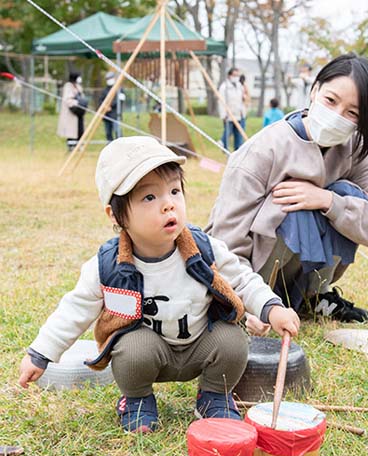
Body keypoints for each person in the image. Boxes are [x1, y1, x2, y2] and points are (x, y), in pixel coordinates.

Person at [18, 136, 299, 434]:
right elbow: (74, 310)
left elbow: (242, 280)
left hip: (200, 345)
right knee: (132, 349)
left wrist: (271, 308)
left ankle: (214, 396)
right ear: (115, 215)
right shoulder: (107, 266)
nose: (169, 205)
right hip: (151, 353)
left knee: (233, 341)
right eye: (149, 198)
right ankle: (137, 401)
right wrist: (41, 353)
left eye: (175, 191)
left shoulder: (204, 248)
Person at [206, 53, 368, 329]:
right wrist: (252, 305)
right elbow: (224, 245)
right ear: (314, 90)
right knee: (289, 203)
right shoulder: (263, 150)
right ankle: (272, 300)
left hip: (302, 277)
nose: (336, 116)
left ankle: (313, 296)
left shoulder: (355, 150)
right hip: (254, 281)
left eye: (352, 112)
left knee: (345, 193)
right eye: (330, 100)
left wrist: (329, 201)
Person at [57, 72, 87, 151]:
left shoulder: (78, 86)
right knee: (71, 131)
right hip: (71, 113)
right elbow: (68, 99)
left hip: (79, 113)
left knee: (80, 130)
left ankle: (79, 146)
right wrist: (77, 103)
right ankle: (71, 147)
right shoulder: (68, 86)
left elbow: (81, 96)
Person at [218, 67, 246, 151]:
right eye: (234, 75)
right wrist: (223, 115)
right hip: (229, 115)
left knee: (239, 136)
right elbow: (221, 101)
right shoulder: (224, 87)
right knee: (227, 133)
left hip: (239, 114)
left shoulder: (239, 86)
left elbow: (241, 100)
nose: (236, 77)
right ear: (229, 75)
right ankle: (224, 147)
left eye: (237, 75)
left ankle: (237, 151)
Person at [99, 71, 126, 143]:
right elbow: (100, 100)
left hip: (115, 114)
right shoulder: (105, 91)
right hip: (107, 115)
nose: (109, 80)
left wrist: (110, 106)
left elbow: (120, 101)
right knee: (108, 133)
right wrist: (105, 107)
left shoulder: (119, 90)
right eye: (107, 79)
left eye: (110, 78)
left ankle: (120, 146)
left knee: (118, 132)